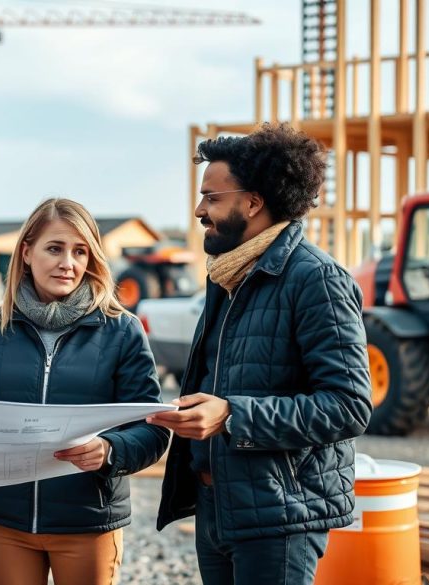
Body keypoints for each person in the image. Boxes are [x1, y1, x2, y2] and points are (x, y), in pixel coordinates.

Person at [149, 123, 372, 585]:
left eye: (212, 198)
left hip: (280, 515)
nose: (198, 210)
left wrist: (232, 415)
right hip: (218, 507)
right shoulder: (225, 277)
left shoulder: (317, 280)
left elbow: (349, 406)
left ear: (253, 202)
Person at [0, 198, 170, 585]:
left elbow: (152, 428)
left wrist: (110, 451)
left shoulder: (122, 330)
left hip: (87, 520)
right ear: (27, 251)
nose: (68, 262)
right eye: (55, 248)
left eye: (79, 251)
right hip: (6, 520)